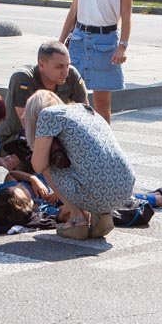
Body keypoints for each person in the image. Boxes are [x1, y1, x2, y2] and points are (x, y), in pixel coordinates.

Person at [23, 90, 135, 239]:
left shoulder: (47, 115)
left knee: (47, 165)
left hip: (96, 188)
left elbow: (38, 165)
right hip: (125, 186)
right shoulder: (85, 111)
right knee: (88, 165)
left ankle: (77, 220)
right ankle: (102, 217)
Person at [58, 0, 133, 123]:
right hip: (79, 39)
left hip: (105, 42)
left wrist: (122, 46)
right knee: (70, 97)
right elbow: (73, 10)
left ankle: (102, 147)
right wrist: (60, 42)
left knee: (101, 102)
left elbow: (126, 15)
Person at [0, 40, 89, 156]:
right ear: (41, 65)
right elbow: (29, 125)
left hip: (52, 136)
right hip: (15, 140)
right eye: (59, 67)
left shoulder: (71, 75)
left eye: (67, 65)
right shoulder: (23, 78)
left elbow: (86, 114)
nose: (65, 73)